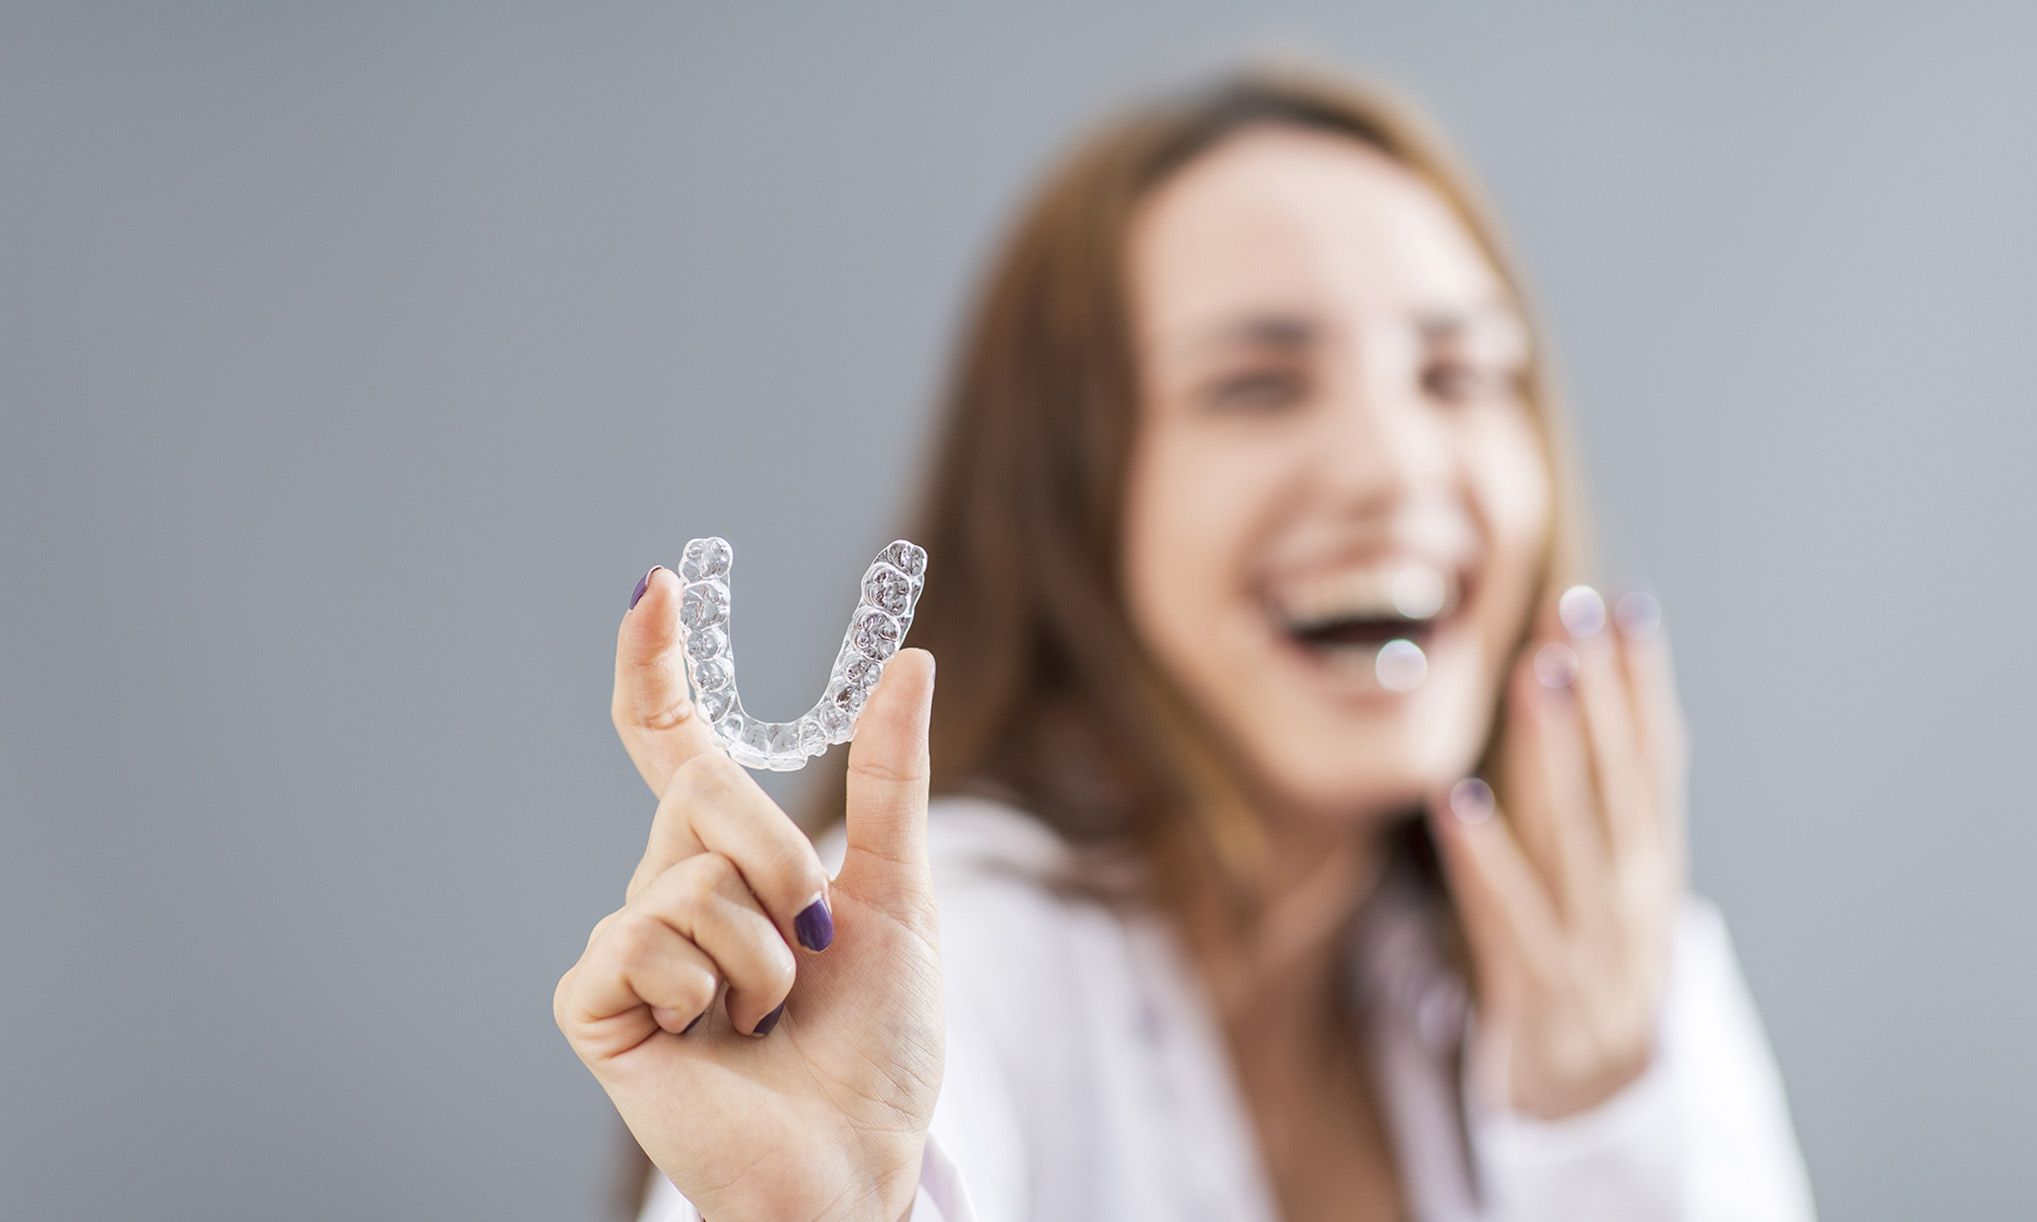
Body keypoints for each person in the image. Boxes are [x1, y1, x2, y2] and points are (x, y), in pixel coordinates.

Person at [553, 62, 1816, 1221]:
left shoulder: (1615, 963)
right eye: (1256, 384)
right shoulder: (937, 961)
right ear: (1075, 501)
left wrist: (1606, 1121)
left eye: (1459, 372)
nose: (1393, 463)